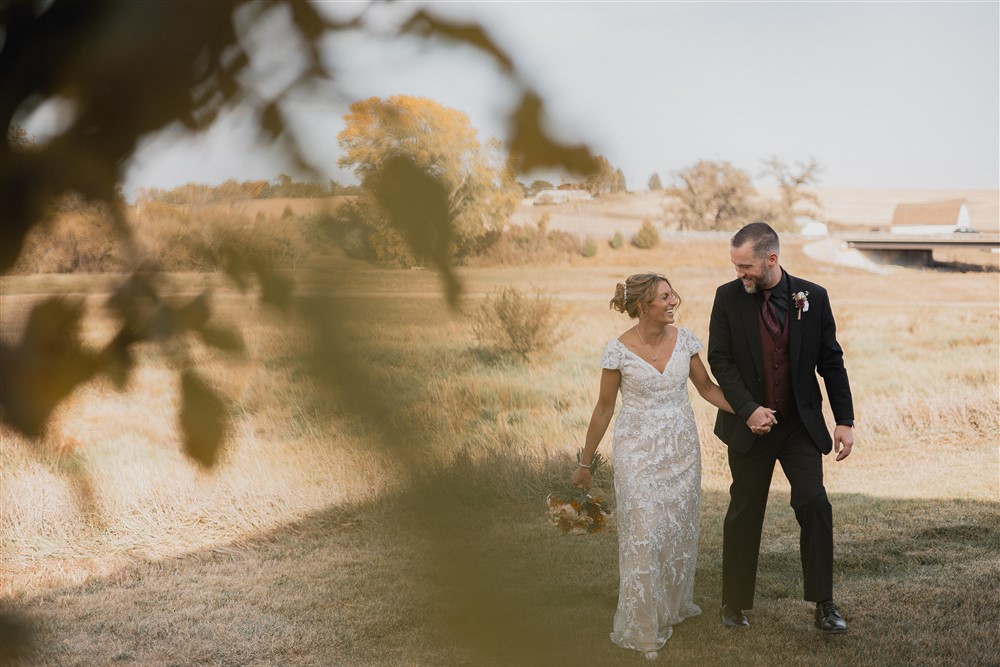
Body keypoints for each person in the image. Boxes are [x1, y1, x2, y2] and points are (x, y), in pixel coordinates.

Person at [572, 273, 733, 661]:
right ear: (644, 305)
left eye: (672, 294)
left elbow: (707, 389)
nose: (673, 301)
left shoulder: (686, 341)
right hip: (637, 453)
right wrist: (584, 462)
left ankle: (671, 606)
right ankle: (643, 627)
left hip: (681, 451)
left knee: (676, 531)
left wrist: (748, 411)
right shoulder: (618, 351)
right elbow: (604, 408)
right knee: (643, 534)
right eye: (664, 297)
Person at [707, 221, 854, 634]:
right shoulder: (727, 297)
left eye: (746, 267)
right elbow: (720, 360)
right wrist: (748, 408)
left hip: (799, 427)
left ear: (772, 259)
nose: (740, 274)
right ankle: (734, 603)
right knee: (744, 510)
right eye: (736, 266)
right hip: (749, 428)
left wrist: (844, 419)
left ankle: (824, 604)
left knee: (813, 502)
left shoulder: (813, 297)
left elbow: (831, 361)